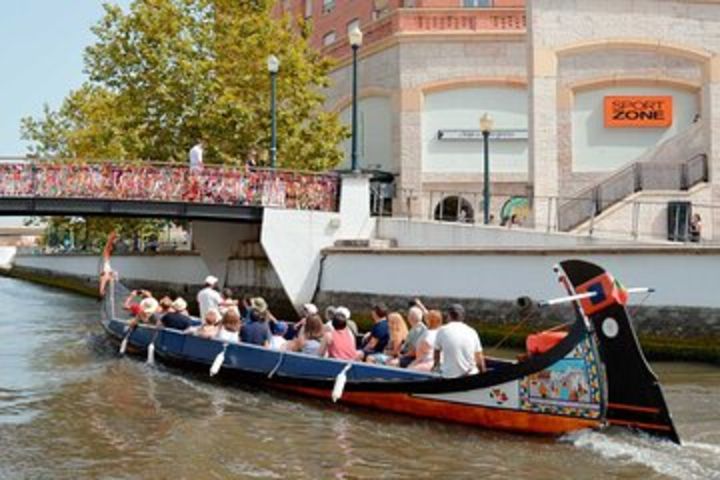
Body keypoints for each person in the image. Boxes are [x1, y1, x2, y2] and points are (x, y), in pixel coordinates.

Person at [433, 304, 486, 378]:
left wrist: (436, 367)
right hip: (471, 375)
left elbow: (436, 353)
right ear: (462, 317)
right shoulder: (472, 331)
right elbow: (479, 359)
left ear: (449, 316)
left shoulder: (442, 330)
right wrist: (484, 376)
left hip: (449, 376)